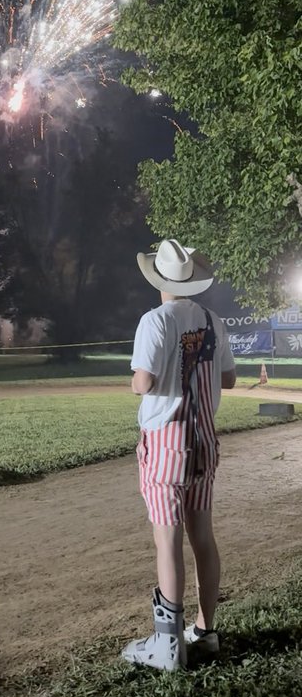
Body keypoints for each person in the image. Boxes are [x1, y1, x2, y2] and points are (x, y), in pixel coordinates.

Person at [121, 238, 236, 672]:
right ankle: (206, 632)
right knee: (202, 537)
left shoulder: (155, 320)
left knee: (166, 540)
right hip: (204, 439)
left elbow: (144, 383)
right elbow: (228, 379)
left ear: (158, 280)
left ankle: (168, 645)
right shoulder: (213, 320)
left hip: (167, 441)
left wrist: (139, 378)